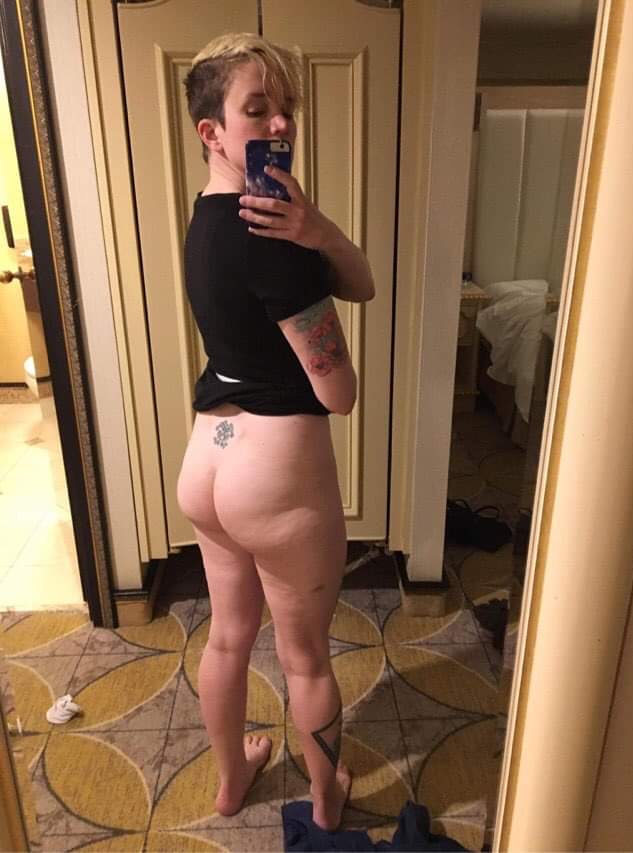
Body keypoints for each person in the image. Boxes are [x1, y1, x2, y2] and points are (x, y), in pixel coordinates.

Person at [177, 32, 375, 832]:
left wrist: (319, 228)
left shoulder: (207, 219)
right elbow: (340, 392)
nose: (280, 122)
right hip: (276, 479)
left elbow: (359, 281)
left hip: (208, 464)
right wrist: (302, 251)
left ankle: (232, 781)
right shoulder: (274, 243)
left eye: (285, 107)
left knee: (227, 638)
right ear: (213, 132)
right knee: (306, 658)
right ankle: (327, 803)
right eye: (256, 109)